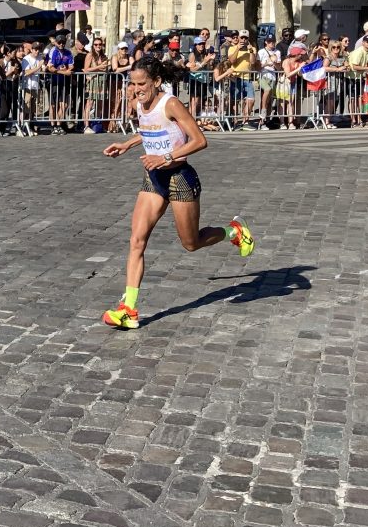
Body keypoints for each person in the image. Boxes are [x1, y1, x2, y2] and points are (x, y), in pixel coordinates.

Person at [101, 55, 255, 330]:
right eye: (132, 83)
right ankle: (129, 309)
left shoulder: (171, 103)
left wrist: (166, 158)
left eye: (141, 83)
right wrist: (128, 144)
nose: (136, 89)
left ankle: (234, 231)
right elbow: (151, 130)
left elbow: (199, 140)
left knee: (191, 243)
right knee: (137, 240)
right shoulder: (140, 103)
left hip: (179, 178)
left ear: (157, 81)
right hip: (153, 179)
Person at [46, 34, 73, 134]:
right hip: (53, 81)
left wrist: (67, 69)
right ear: (56, 43)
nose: (61, 44)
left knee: (64, 105)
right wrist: (62, 71)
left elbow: (71, 65)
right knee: (53, 105)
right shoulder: (53, 51)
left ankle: (59, 124)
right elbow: (50, 68)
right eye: (59, 42)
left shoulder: (68, 52)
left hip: (64, 82)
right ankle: (53, 126)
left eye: (63, 42)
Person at [82, 37, 109, 133]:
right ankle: (86, 125)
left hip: (101, 81)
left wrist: (102, 68)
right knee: (89, 103)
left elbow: (105, 68)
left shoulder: (103, 56)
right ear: (93, 46)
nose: (98, 46)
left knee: (100, 103)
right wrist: (99, 67)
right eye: (96, 44)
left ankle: (97, 124)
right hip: (92, 81)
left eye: (100, 44)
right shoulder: (90, 55)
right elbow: (85, 69)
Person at [256, 35, 281, 130]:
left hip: (272, 76)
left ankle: (265, 121)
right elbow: (257, 67)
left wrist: (274, 62)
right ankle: (262, 113)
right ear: (266, 42)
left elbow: (279, 68)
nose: (272, 43)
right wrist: (266, 63)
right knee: (267, 90)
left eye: (273, 41)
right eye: (269, 41)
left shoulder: (277, 52)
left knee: (269, 100)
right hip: (263, 75)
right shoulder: (261, 52)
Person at [110, 41, 134, 133]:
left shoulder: (129, 57)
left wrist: (129, 67)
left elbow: (134, 66)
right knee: (116, 103)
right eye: (122, 49)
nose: (124, 50)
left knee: (128, 101)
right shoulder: (115, 57)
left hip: (126, 82)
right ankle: (112, 125)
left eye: (126, 48)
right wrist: (128, 67)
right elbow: (115, 69)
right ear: (118, 50)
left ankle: (125, 123)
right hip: (115, 82)